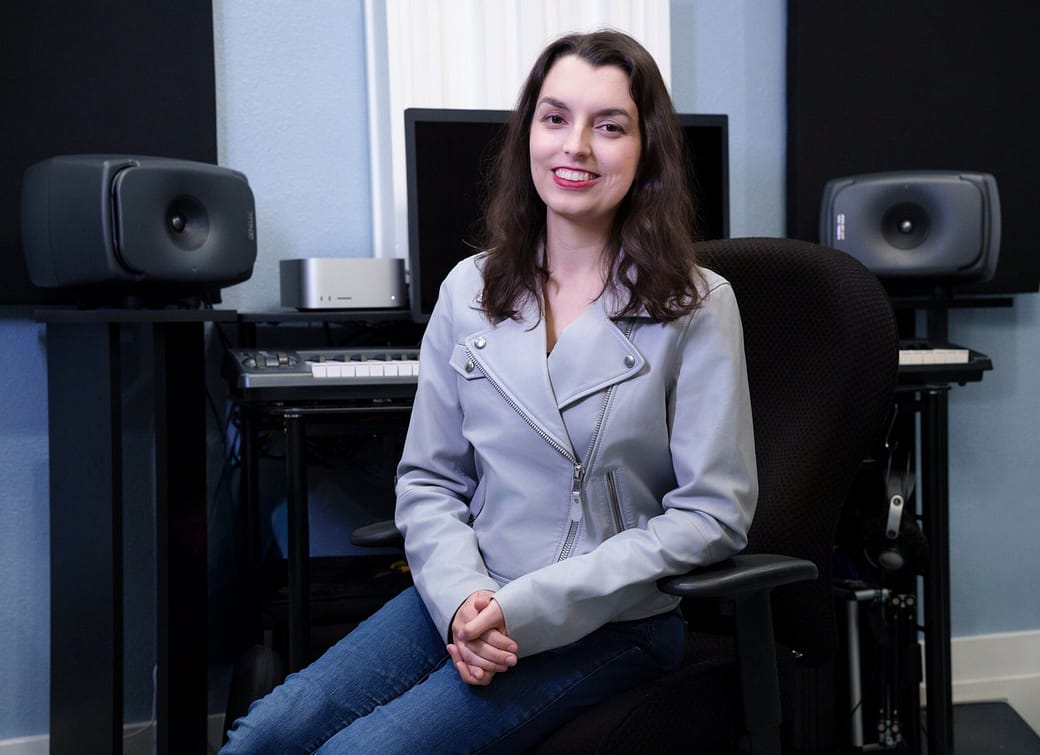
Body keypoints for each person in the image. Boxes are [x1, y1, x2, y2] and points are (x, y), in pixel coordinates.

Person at [221, 28, 757, 754]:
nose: (575, 146)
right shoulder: (468, 288)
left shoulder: (697, 303)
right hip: (467, 595)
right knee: (265, 735)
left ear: (647, 150)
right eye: (555, 117)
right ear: (528, 132)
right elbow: (429, 480)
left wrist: (523, 608)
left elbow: (712, 514)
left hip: (608, 621)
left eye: (609, 126)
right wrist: (462, 601)